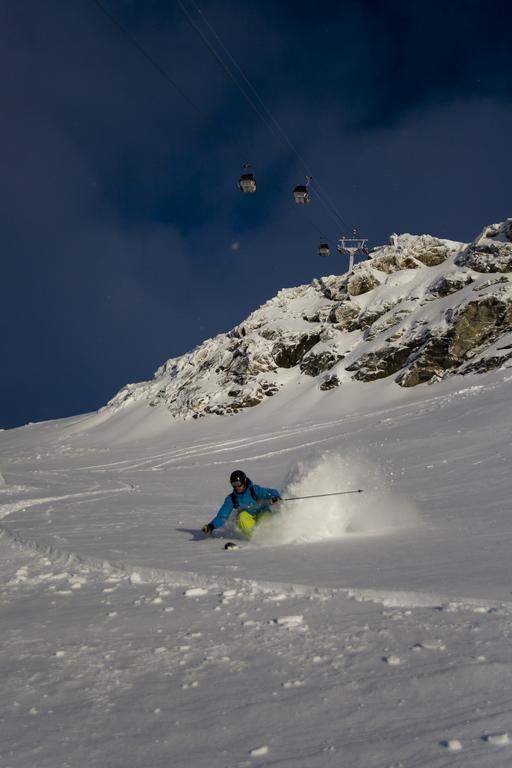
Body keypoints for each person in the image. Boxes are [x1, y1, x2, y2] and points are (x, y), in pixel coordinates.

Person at [201, 470, 281, 538]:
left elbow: (270, 492)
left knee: (266, 518)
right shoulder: (232, 498)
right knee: (241, 517)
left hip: (262, 512)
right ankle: (257, 538)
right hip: (248, 518)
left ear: (244, 481)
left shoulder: (254, 490)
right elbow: (222, 516)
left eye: (239, 484)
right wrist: (211, 526)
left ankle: (272, 536)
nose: (237, 487)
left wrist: (275, 497)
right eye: (234, 485)